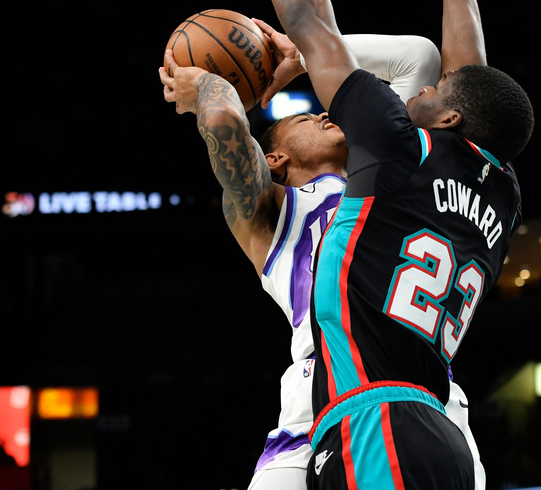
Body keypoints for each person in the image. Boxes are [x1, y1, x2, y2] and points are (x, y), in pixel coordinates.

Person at [235, 0, 533, 489]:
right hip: (433, 424)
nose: (419, 93)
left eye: (430, 97)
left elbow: (312, 18)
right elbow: (468, 76)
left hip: (381, 420)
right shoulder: (499, 189)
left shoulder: (399, 147)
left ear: (450, 119)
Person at [160, 28, 485, 489]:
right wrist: (214, 86)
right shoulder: (271, 211)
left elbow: (418, 57)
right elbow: (225, 126)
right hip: (315, 404)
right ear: (274, 159)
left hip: (424, 389)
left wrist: (303, 56)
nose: (322, 112)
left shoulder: (388, 172)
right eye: (304, 119)